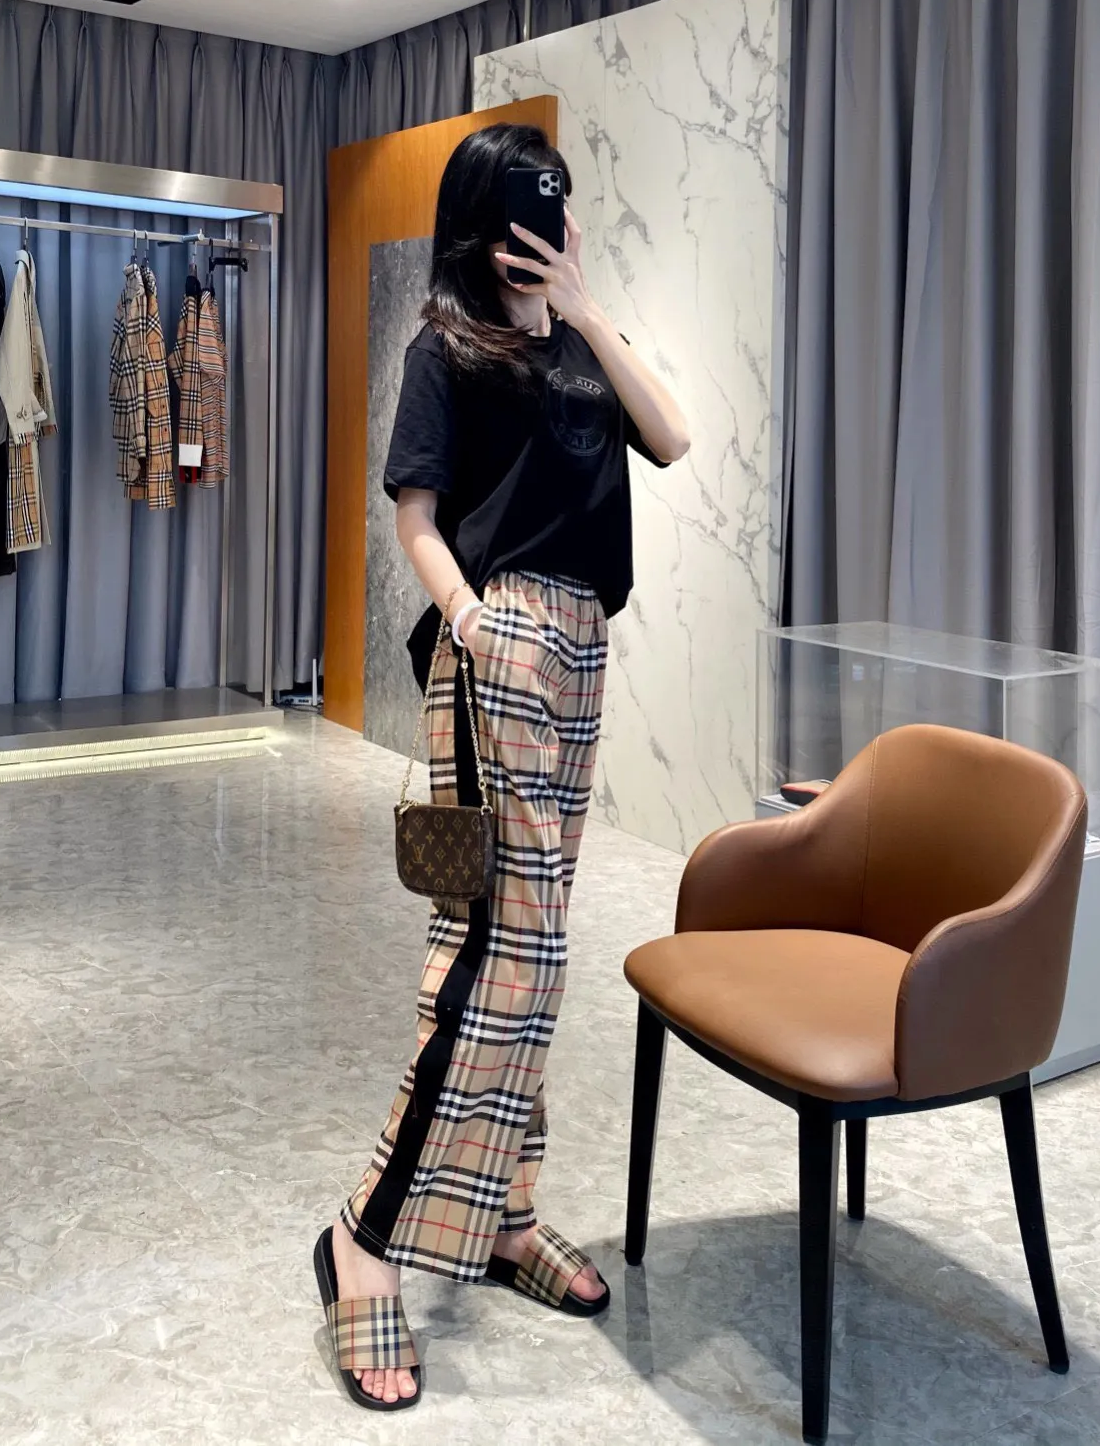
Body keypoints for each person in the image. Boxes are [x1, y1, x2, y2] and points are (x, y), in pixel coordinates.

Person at [315, 122, 691, 1411]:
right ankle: (366, 1238)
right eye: (527, 214)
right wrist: (476, 625)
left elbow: (673, 437)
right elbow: (415, 516)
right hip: (499, 650)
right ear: (481, 227)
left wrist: (582, 304)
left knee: (540, 951)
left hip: (582, 652)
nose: (545, 230)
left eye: (560, 209)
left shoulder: (580, 341)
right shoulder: (444, 346)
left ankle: (503, 1209)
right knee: (490, 953)